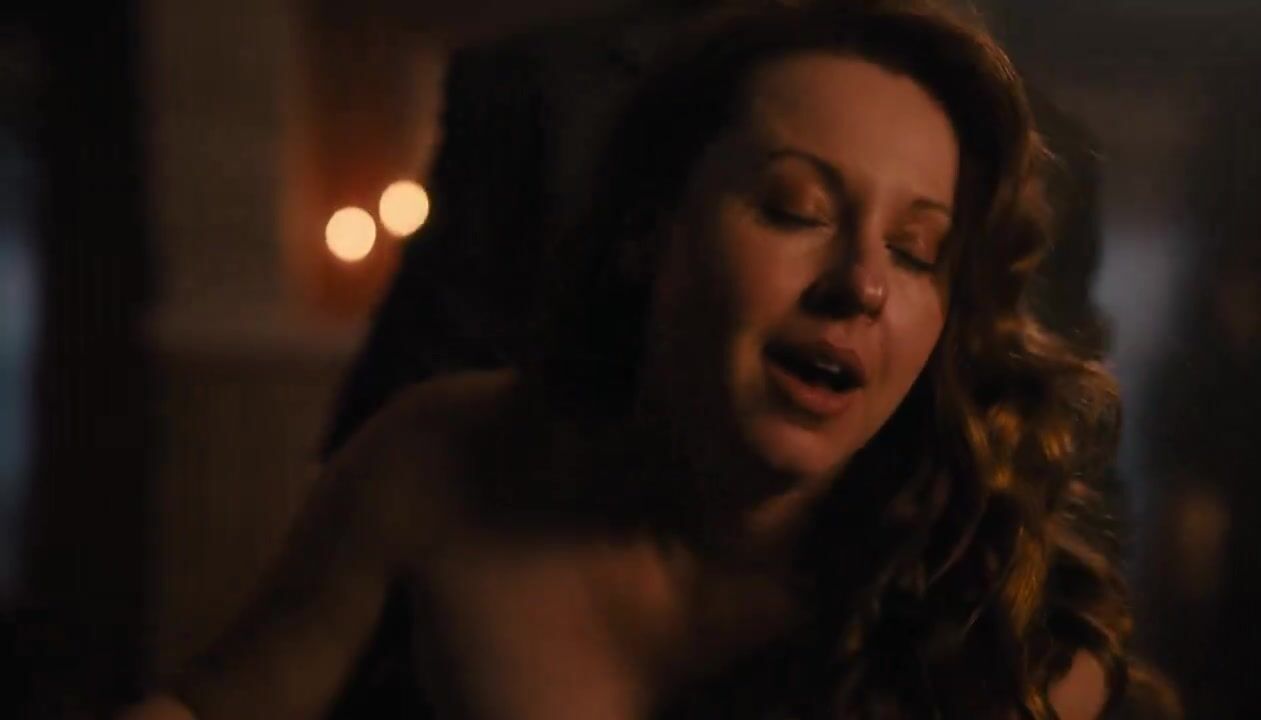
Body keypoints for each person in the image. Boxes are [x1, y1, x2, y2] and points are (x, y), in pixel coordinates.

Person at [123, 1, 1173, 718]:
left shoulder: (1010, 638)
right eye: (794, 208)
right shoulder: (438, 459)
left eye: (915, 251)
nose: (860, 282)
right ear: (649, 229)